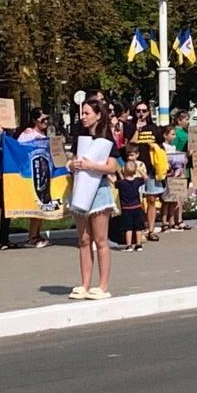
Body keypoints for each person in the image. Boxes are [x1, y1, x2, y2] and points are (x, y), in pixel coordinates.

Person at [66, 99, 118, 300]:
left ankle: (103, 285)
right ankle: (85, 284)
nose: (83, 117)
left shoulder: (106, 137)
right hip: (80, 190)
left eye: (87, 113)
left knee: (100, 239)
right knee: (84, 239)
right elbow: (70, 160)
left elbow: (112, 167)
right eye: (82, 113)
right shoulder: (80, 136)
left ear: (98, 114)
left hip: (99, 190)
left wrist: (91, 166)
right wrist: (72, 165)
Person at [124, 100, 166, 237]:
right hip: (134, 168)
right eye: (138, 111)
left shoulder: (154, 128)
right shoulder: (130, 126)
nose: (141, 113)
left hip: (151, 167)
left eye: (144, 111)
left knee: (152, 199)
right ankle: (138, 229)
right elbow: (131, 143)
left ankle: (151, 229)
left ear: (148, 112)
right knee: (136, 200)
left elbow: (161, 146)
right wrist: (137, 128)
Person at [16, 107, 52, 248]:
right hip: (31, 173)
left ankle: (36, 233)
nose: (46, 122)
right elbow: (19, 150)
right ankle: (32, 236)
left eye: (47, 119)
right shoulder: (28, 134)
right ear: (34, 120)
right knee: (36, 204)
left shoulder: (44, 135)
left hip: (44, 173)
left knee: (42, 203)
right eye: (43, 119)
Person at [116, 149, 146, 251]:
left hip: (126, 208)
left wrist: (117, 173)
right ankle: (138, 244)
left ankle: (128, 245)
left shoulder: (122, 183)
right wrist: (139, 170)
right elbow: (145, 178)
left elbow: (114, 182)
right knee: (138, 227)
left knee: (128, 228)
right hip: (137, 207)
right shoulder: (137, 181)